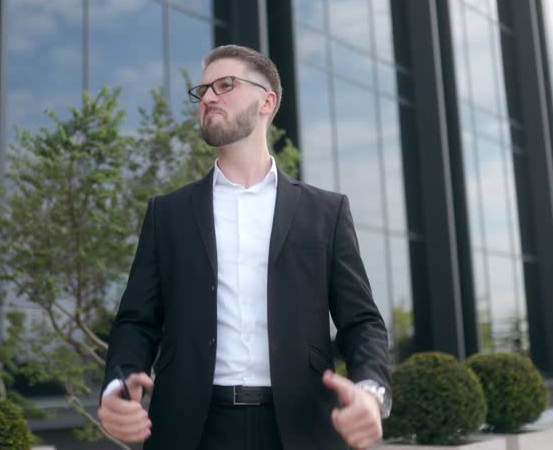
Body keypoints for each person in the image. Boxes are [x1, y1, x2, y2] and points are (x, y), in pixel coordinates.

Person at [97, 44, 391, 450]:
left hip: (302, 428)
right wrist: (117, 387)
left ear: (267, 101)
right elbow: (136, 321)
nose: (209, 97)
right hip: (189, 430)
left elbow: (362, 323)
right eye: (202, 91)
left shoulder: (326, 212)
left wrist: (371, 392)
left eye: (225, 85)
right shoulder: (168, 213)